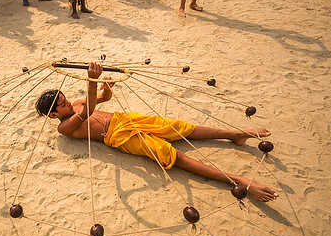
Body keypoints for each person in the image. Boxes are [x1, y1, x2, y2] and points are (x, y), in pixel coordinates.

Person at [35, 63, 280, 202]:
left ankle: (234, 134)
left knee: (179, 128)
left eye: (66, 100)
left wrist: (105, 86)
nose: (68, 104)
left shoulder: (76, 101)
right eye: (63, 105)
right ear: (54, 115)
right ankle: (238, 179)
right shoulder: (64, 128)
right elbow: (88, 111)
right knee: (171, 155)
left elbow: (101, 99)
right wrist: (91, 80)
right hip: (119, 137)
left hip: (126, 119)